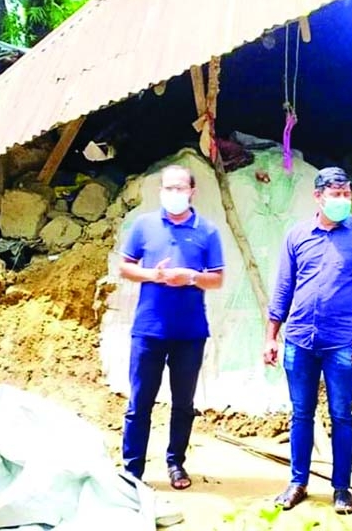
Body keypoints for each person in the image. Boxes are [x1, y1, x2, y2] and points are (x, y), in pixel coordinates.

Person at [263, 166, 352, 515]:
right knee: (301, 413)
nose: (342, 200)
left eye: (346, 193)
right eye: (335, 194)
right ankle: (297, 482)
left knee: (341, 415)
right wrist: (271, 336)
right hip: (299, 340)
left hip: (343, 344)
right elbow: (283, 289)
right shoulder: (297, 236)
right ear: (318, 196)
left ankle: (341, 488)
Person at [119, 164, 224, 490]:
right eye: (168, 188)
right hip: (148, 329)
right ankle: (132, 469)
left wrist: (190, 277)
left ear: (192, 191)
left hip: (190, 332)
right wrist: (154, 275)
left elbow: (218, 278)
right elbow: (125, 267)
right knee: (140, 403)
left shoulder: (207, 231)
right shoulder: (144, 225)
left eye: (180, 188)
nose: (173, 194)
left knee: (183, 404)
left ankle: (175, 463)